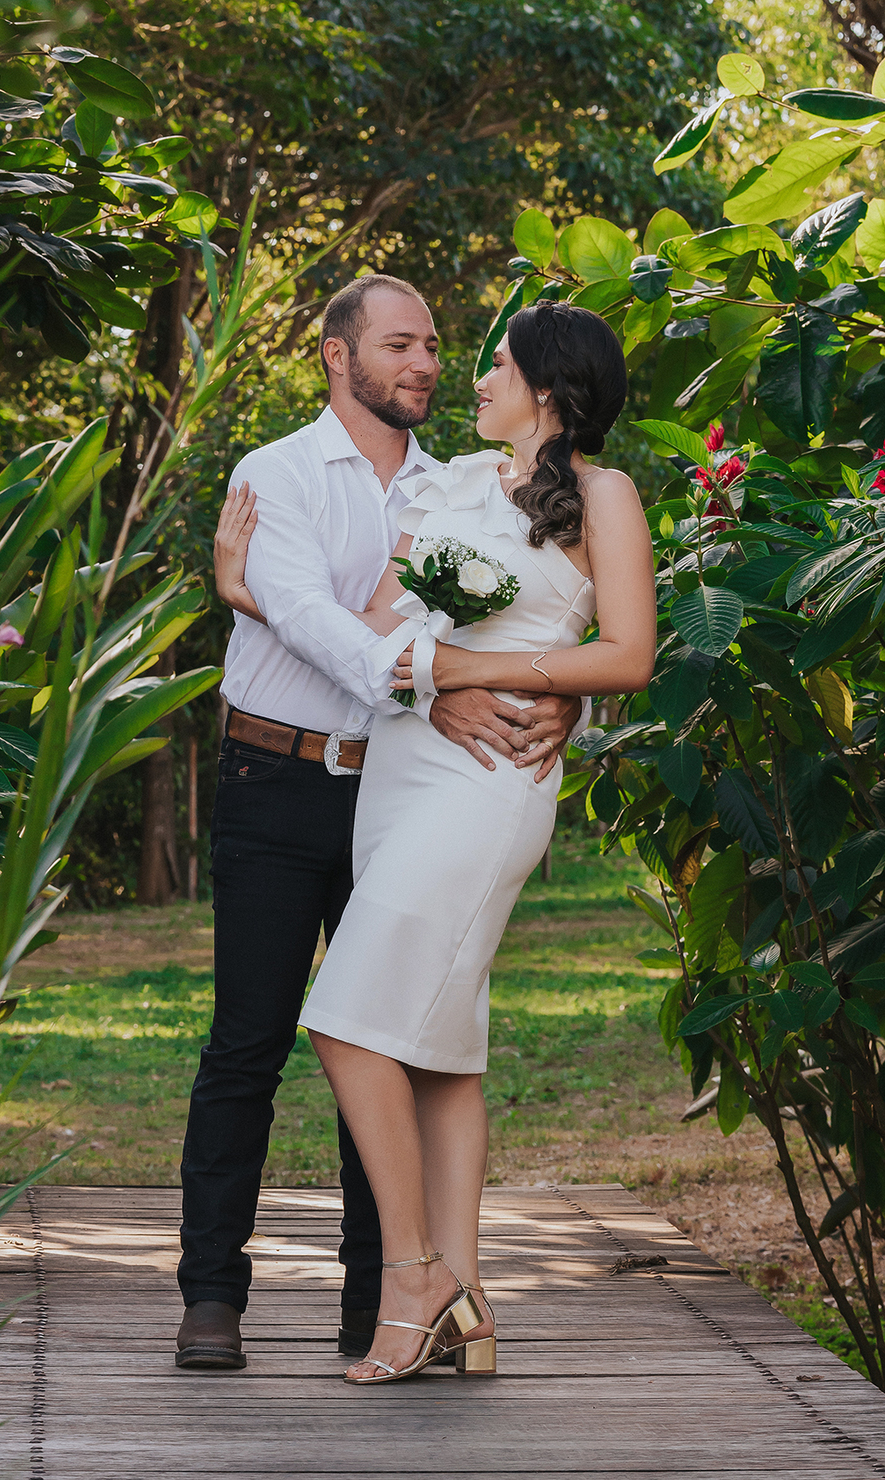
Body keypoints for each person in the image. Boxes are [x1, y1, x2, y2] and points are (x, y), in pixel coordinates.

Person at [214, 299, 657, 1385]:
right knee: (445, 1052)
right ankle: (468, 1300)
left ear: (547, 388)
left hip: (494, 778)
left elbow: (629, 653)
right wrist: (247, 595)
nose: (471, 379)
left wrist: (506, 678)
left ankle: (410, 1273)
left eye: (492, 365)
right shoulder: (455, 482)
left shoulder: (606, 496)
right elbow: (371, 622)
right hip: (404, 771)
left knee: (348, 1023)